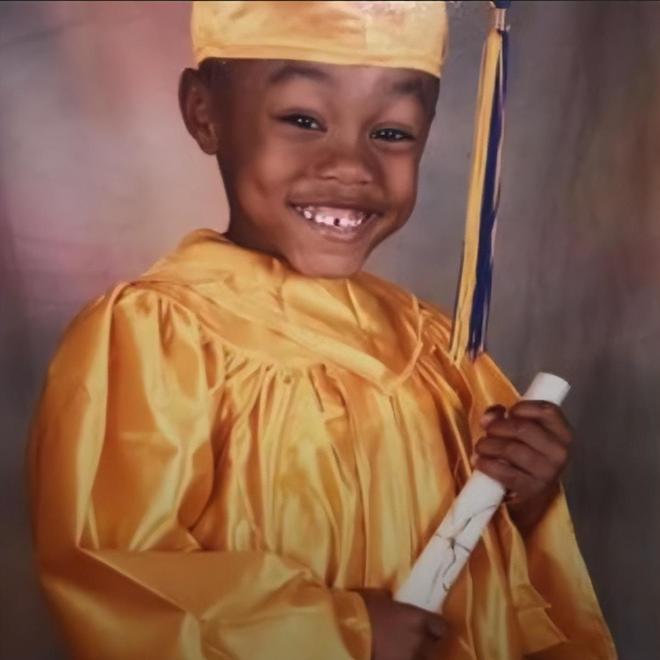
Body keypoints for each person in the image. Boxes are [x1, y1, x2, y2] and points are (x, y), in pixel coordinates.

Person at [28, 2, 616, 659]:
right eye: (303, 120)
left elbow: (490, 590)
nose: (351, 164)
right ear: (203, 112)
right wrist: (340, 632)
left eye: (392, 132)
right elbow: (116, 573)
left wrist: (523, 499)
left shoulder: (435, 349)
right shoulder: (155, 340)